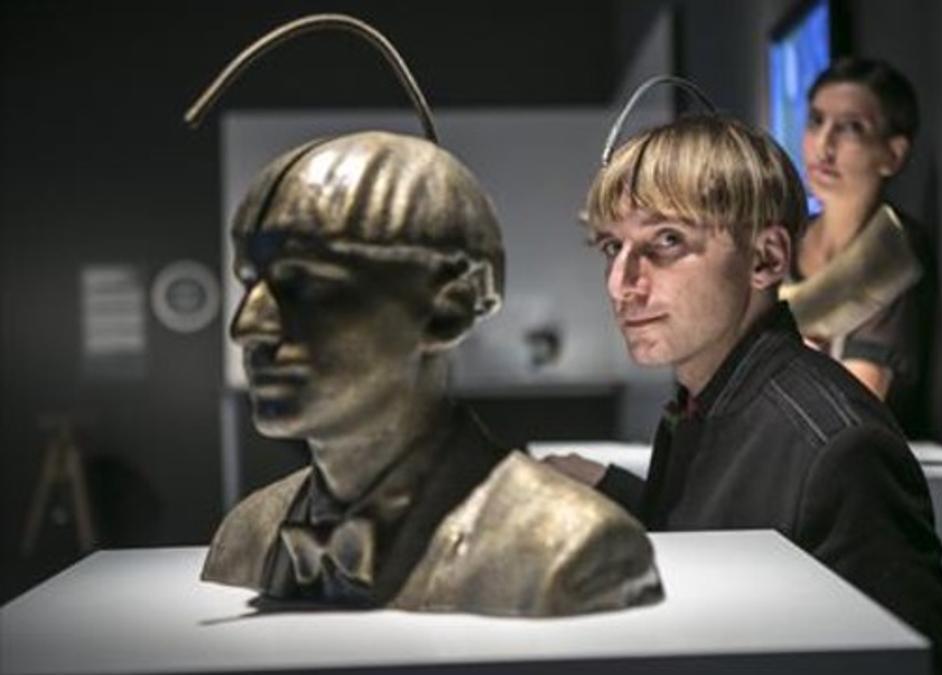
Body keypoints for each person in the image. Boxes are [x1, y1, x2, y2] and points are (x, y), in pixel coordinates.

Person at [195, 14, 661, 617]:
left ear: (448, 307)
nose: (248, 325)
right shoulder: (247, 535)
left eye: (303, 285)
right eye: (249, 283)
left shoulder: (570, 546)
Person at [546, 111, 942, 672]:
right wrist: (613, 489)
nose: (622, 284)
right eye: (610, 247)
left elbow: (913, 664)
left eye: (666, 240)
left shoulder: (839, 447)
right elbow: (715, 530)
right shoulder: (704, 399)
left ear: (766, 258)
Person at [780, 57, 930, 415]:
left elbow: (851, 407)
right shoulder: (783, 243)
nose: (824, 145)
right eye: (816, 121)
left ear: (893, 155)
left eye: (851, 128)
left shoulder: (893, 256)